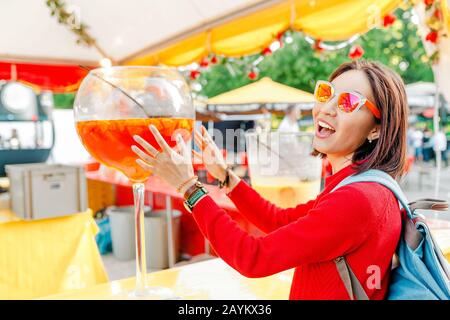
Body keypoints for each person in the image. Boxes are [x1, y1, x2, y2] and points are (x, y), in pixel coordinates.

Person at [131, 60, 407, 300]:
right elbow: (279, 221)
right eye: (326, 94)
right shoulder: (362, 187)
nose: (326, 108)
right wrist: (225, 177)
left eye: (348, 102)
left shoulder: (358, 199)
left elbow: (253, 257)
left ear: (377, 129)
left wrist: (189, 187)